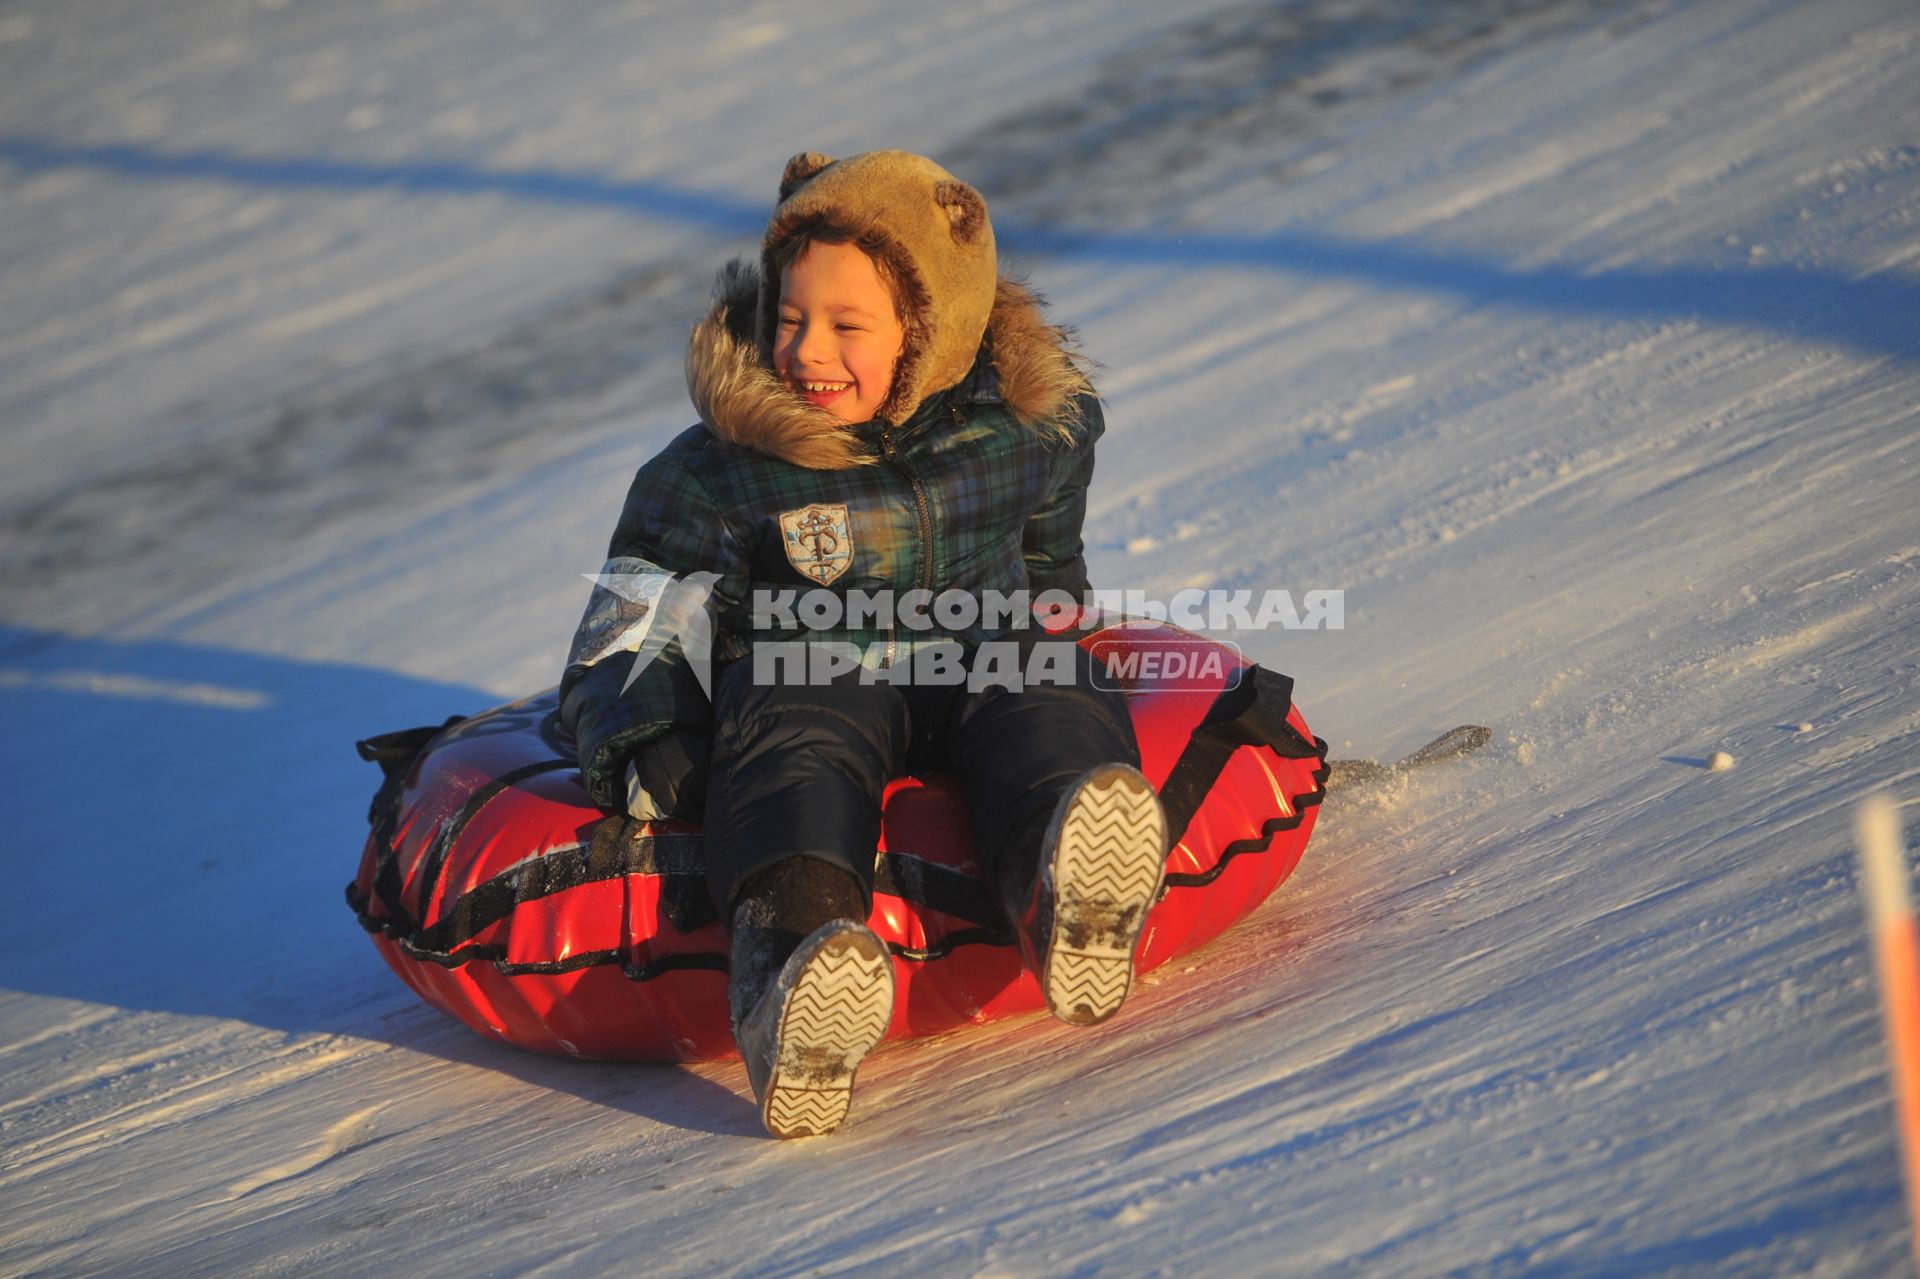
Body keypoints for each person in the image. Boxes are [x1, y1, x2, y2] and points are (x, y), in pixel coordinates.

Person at [558, 150, 1166, 1138]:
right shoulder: (725, 469)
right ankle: (794, 973)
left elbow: (1051, 534)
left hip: (980, 644)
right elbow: (635, 616)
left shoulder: (1024, 425)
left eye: (848, 326)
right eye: (792, 319)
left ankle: (1074, 896)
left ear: (934, 333)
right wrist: (645, 733)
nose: (808, 350)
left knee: (1049, 693)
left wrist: (1062, 618)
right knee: (793, 744)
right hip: (813, 663)